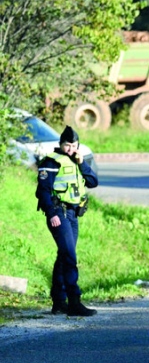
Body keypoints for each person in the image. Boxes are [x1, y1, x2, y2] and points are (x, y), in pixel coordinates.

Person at [36, 126, 99, 316]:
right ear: (60, 145)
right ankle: (74, 302)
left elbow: (93, 182)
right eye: (67, 145)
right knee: (70, 256)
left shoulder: (78, 161)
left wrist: (81, 163)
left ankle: (58, 301)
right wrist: (52, 214)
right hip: (58, 213)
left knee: (64, 256)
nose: (70, 149)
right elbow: (43, 191)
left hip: (73, 215)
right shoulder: (51, 162)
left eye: (73, 145)